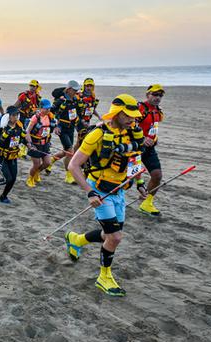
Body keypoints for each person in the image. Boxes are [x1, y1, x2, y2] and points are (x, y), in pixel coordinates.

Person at [64, 94, 147, 297]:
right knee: (115, 237)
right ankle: (104, 277)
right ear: (117, 113)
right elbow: (74, 165)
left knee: (109, 235)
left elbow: (134, 161)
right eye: (127, 116)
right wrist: (89, 192)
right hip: (100, 190)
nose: (132, 119)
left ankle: (77, 239)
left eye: (134, 116)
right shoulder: (97, 135)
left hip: (119, 191)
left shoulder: (132, 134)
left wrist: (140, 185)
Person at [48, 80, 85, 183]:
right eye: (75, 90)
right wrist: (55, 126)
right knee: (70, 151)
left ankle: (51, 160)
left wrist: (81, 122)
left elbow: (78, 113)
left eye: (77, 90)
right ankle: (69, 176)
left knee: (67, 150)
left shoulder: (75, 99)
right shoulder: (60, 101)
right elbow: (50, 113)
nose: (77, 92)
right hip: (62, 129)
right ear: (68, 90)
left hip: (71, 128)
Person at [137, 84, 166, 216]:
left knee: (157, 176)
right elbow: (129, 126)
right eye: (155, 94)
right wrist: (142, 138)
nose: (157, 98)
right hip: (135, 148)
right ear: (147, 95)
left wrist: (154, 138)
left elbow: (153, 127)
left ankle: (146, 203)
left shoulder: (157, 111)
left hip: (149, 149)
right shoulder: (140, 108)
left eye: (160, 95)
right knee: (125, 178)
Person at [0, 106, 25, 203]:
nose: (16, 117)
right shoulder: (1, 128)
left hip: (13, 156)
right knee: (8, 178)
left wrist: (29, 144)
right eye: (13, 115)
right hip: (1, 156)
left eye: (17, 115)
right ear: (8, 116)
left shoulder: (19, 127)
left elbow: (22, 139)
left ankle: (3, 196)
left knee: (13, 179)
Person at [24, 99, 56, 187]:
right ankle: (30, 179)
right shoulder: (36, 117)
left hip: (45, 144)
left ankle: (37, 173)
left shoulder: (50, 116)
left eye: (49, 108)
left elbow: (50, 128)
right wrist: (30, 144)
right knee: (36, 164)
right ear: (41, 108)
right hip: (35, 144)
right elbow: (27, 132)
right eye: (46, 108)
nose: (48, 110)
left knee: (47, 163)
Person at [75, 78, 101, 152]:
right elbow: (75, 110)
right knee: (82, 138)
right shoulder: (79, 95)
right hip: (79, 120)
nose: (89, 88)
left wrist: (99, 117)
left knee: (82, 138)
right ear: (84, 86)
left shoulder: (92, 96)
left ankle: (76, 155)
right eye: (87, 86)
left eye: (91, 86)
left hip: (87, 119)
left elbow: (92, 109)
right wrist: (82, 120)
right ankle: (75, 155)